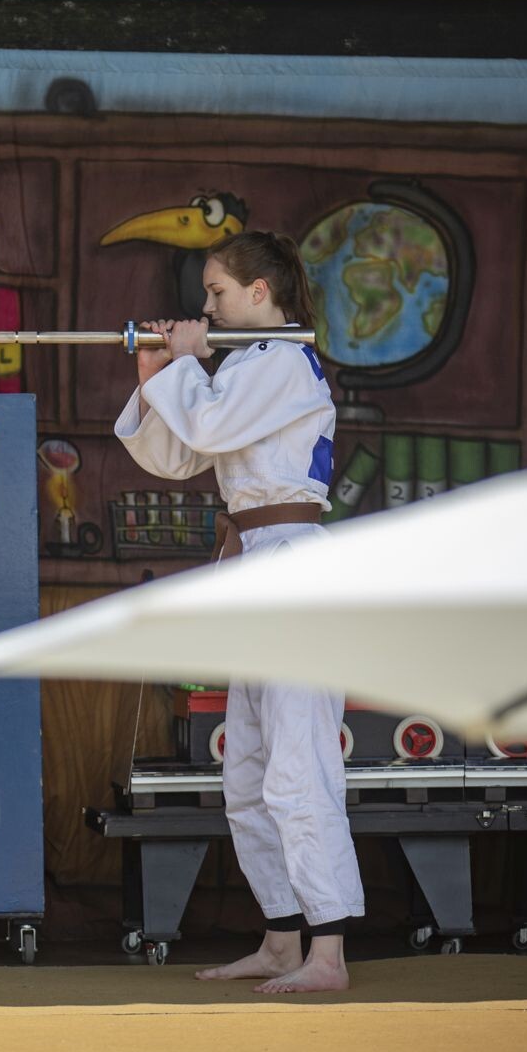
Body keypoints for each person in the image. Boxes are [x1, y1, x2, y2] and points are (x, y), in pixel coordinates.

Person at [114, 229, 362, 994]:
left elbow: (208, 425)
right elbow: (178, 454)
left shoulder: (285, 359)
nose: (208, 306)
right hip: (255, 564)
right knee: (248, 771)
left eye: (217, 292)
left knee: (298, 763)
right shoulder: (248, 366)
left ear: (261, 292)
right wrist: (156, 374)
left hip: (293, 565)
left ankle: (329, 952)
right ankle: (283, 939)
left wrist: (187, 362)